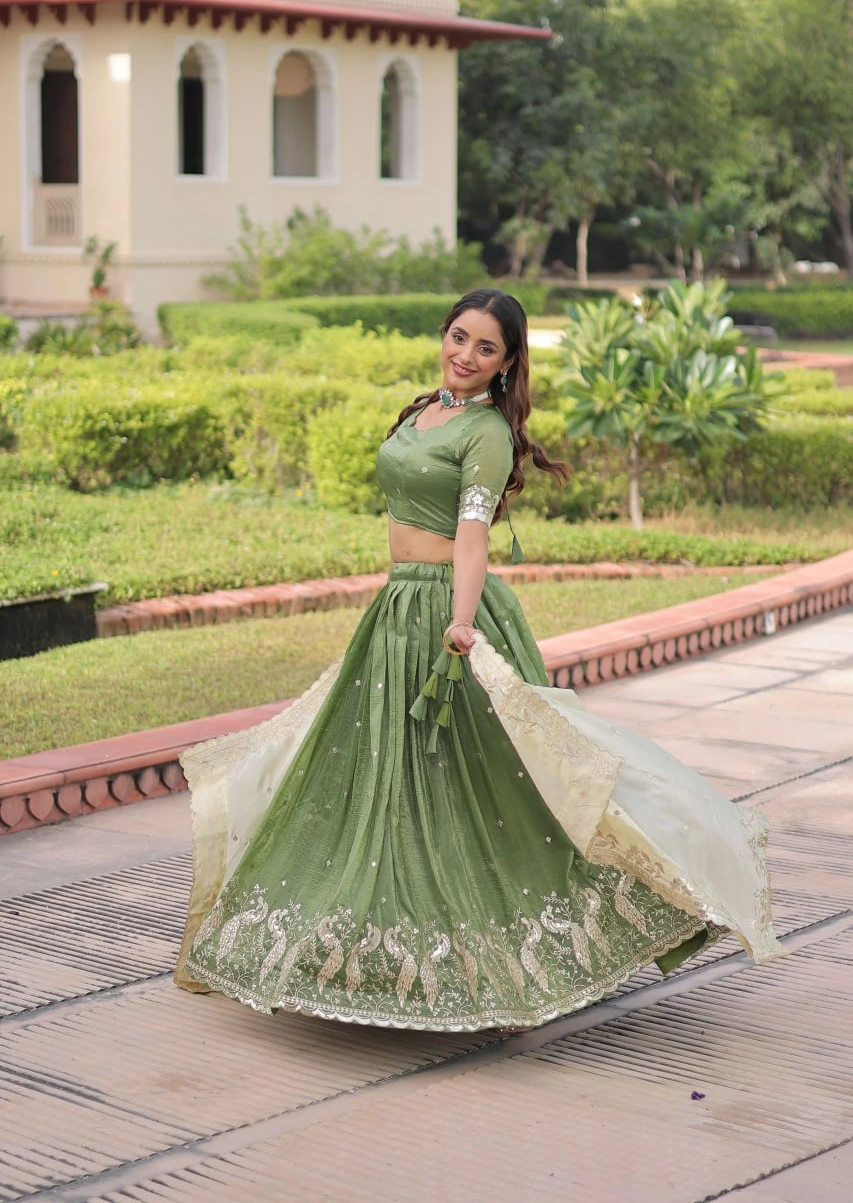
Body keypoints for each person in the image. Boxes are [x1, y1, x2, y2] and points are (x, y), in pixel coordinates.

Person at [175, 289, 782, 1031]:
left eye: (484, 348)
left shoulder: (488, 434)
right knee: (383, 779)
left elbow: (472, 537)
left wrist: (460, 623)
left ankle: (506, 954)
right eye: (457, 337)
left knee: (480, 791)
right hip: (396, 612)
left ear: (506, 364)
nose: (463, 354)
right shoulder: (424, 411)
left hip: (447, 618)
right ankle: (365, 944)